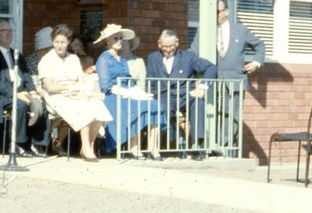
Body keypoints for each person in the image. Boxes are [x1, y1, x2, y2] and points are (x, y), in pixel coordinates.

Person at [193, 0, 265, 154]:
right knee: (209, 114)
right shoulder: (204, 30)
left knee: (231, 117)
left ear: (226, 11)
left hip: (235, 81)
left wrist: (256, 63)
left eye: (217, 12)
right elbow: (194, 53)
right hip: (212, 81)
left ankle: (227, 151)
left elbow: (259, 45)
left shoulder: (240, 30)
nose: (215, 15)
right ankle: (209, 148)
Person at [37, 24, 112, 162]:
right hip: (56, 97)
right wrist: (70, 88)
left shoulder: (73, 58)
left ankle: (88, 145)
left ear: (69, 42)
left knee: (99, 108)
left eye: (63, 42)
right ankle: (86, 149)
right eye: (56, 42)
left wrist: (82, 87)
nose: (59, 46)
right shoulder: (46, 60)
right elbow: (51, 87)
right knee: (83, 109)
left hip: (75, 94)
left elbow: (80, 80)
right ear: (52, 41)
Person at [94, 24, 164, 160]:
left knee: (154, 105)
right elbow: (105, 86)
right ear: (107, 41)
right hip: (113, 96)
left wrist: (135, 90)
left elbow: (129, 80)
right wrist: (125, 92)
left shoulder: (122, 59)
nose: (119, 41)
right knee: (136, 107)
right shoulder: (103, 59)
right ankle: (134, 147)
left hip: (127, 93)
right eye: (115, 38)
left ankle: (153, 148)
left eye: (121, 38)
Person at [146, 28, 217, 159]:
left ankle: (197, 145)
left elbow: (211, 68)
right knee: (163, 108)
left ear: (177, 43)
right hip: (164, 96)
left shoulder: (188, 56)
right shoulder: (152, 58)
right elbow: (150, 81)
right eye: (165, 46)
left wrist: (202, 87)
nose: (168, 49)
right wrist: (151, 96)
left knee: (198, 103)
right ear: (159, 44)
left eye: (171, 46)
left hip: (186, 95)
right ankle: (176, 143)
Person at [0, 19, 44, 157]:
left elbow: (26, 75)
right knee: (20, 105)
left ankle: (38, 144)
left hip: (19, 93)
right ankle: (18, 144)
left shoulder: (16, 54)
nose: (8, 34)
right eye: (4, 31)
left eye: (10, 31)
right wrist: (15, 94)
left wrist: (32, 91)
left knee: (40, 103)